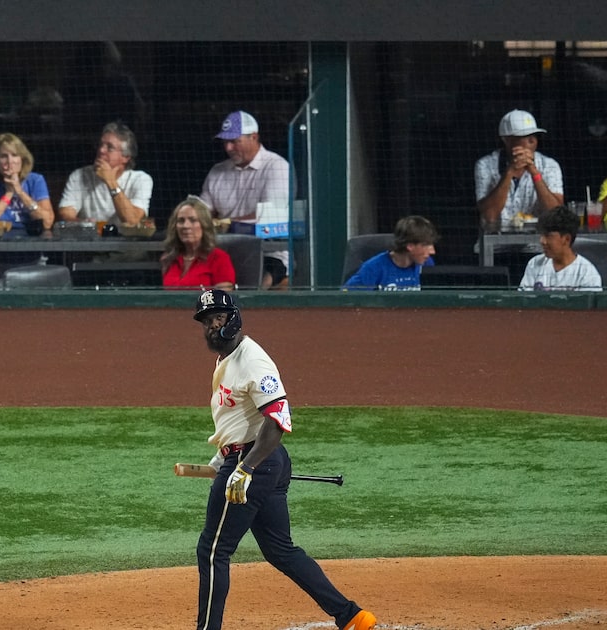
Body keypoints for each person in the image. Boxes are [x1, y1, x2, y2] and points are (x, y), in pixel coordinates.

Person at [190, 289, 377, 630]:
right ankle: (352, 616)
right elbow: (240, 418)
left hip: (256, 462)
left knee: (214, 551)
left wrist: (244, 468)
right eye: (206, 321)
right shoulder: (226, 360)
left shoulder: (253, 360)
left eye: (218, 317)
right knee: (280, 550)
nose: (212, 326)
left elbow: (277, 420)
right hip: (261, 462)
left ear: (233, 317)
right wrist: (221, 455)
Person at [199, 110, 291, 289]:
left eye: (234, 141)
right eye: (225, 141)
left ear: (254, 137)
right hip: (223, 251)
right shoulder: (217, 170)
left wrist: (224, 222)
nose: (228, 148)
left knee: (257, 287)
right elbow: (203, 210)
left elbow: (268, 217)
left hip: (267, 253)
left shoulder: (277, 167)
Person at [475, 109, 564, 230]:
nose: (532, 141)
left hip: (537, 245)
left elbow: (555, 214)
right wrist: (509, 172)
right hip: (496, 245)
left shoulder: (549, 165)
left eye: (534, 136)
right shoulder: (485, 165)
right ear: (507, 140)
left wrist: (534, 172)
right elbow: (490, 216)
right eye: (525, 136)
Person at [57, 121, 152, 227]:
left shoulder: (141, 179)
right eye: (100, 145)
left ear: (125, 157)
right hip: (89, 240)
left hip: (126, 242)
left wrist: (111, 182)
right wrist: (85, 225)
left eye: (110, 148)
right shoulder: (79, 175)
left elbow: (133, 221)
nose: (101, 150)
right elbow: (65, 214)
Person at [0, 132, 55, 231]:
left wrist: (20, 192)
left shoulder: (36, 180)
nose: (10, 161)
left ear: (22, 159)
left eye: (14, 155)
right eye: (3, 156)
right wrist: (8, 194)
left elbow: (47, 223)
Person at [518, 205, 601, 291]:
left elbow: (588, 304)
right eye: (542, 235)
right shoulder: (534, 264)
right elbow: (522, 301)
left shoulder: (587, 273)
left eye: (548, 236)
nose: (542, 241)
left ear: (566, 239)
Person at [343, 215, 438, 291]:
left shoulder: (426, 263)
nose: (432, 251)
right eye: (426, 245)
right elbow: (346, 299)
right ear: (410, 246)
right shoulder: (373, 268)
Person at [161, 196, 235, 290]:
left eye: (193, 220)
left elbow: (223, 300)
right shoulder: (169, 259)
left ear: (204, 225)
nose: (186, 226)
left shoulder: (219, 258)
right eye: (181, 221)